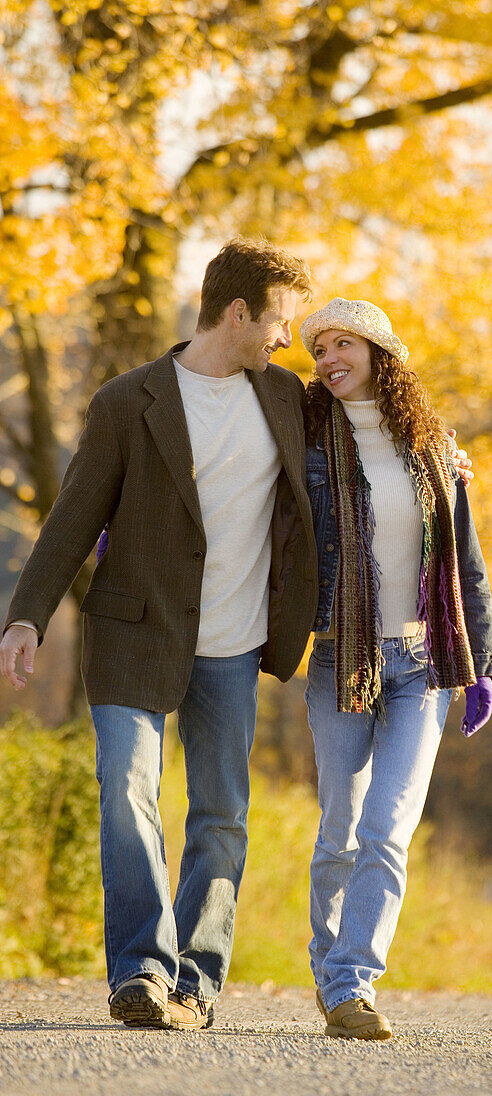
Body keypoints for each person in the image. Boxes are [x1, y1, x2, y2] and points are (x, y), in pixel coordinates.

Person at [0, 239, 318, 1030]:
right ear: (237, 312)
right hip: (132, 633)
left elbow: (367, 438)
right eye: (280, 320)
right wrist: (27, 613)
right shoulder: (128, 400)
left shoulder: (286, 398)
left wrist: (440, 464)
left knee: (219, 812)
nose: (288, 338)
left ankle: (197, 984)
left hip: (234, 644)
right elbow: (73, 515)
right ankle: (140, 970)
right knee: (128, 797)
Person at [299, 298, 492, 1041]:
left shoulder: (435, 448)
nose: (327, 359)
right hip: (338, 656)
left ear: (382, 353)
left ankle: (352, 984)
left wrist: (481, 664)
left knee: (387, 828)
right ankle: (331, 975)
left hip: (421, 661)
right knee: (340, 833)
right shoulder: (307, 440)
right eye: (318, 349)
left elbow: (466, 565)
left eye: (343, 343)